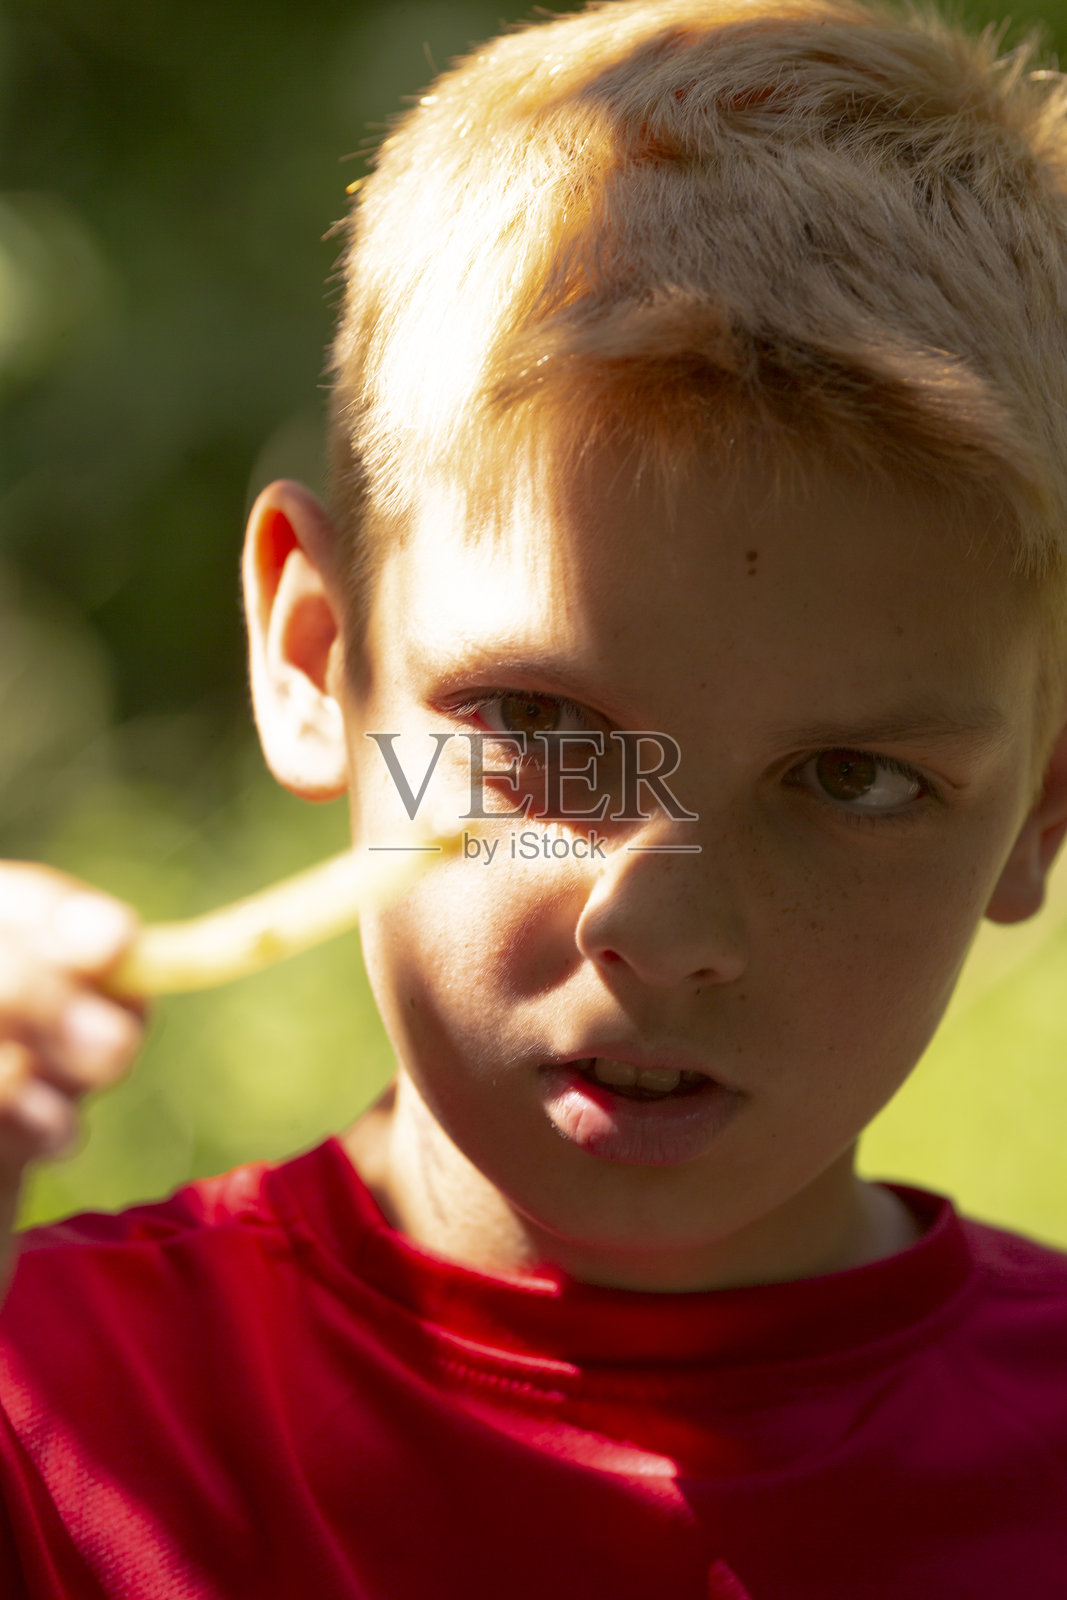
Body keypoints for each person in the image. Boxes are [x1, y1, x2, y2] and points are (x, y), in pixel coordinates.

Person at [2, 0, 1067, 1593]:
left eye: (852, 778)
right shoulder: (54, 1422)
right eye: (541, 725)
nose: (667, 922)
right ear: (317, 662)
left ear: (1045, 801)